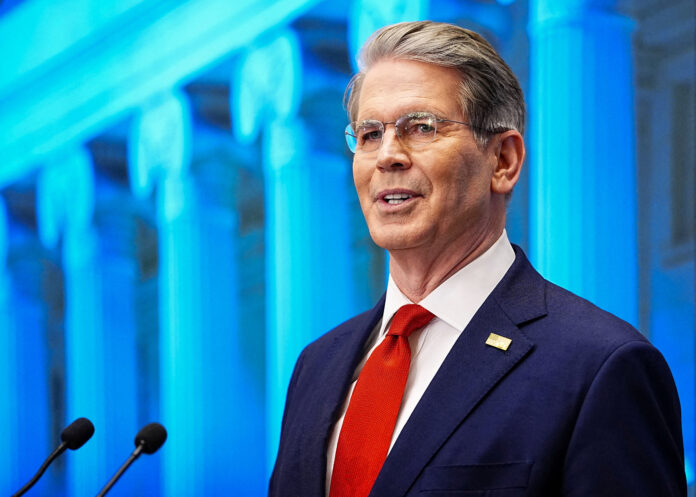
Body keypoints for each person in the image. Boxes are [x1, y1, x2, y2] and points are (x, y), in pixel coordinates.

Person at [269, 21, 685, 497]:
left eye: (421, 127)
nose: (387, 157)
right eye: (369, 134)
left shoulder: (599, 366)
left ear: (503, 161)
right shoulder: (317, 365)